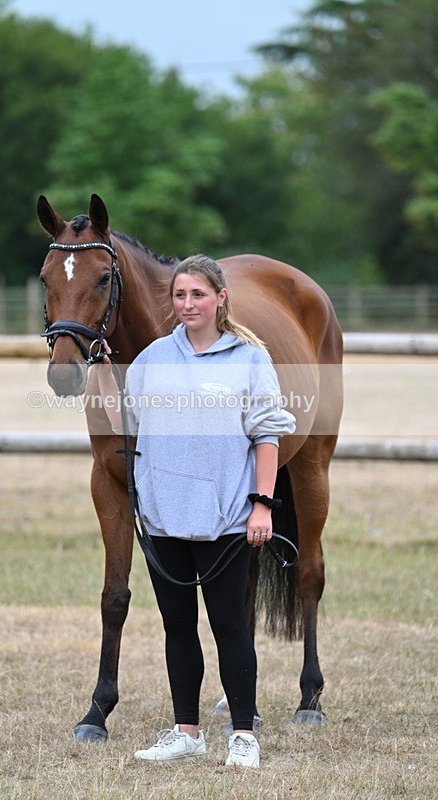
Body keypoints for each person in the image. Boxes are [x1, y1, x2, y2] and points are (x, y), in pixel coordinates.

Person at [96, 254, 295, 768]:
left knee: (230, 627)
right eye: (180, 296)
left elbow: (266, 436)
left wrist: (262, 506)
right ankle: (186, 730)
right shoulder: (152, 360)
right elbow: (130, 426)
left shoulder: (249, 359)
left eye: (198, 295)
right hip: (163, 519)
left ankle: (243, 733)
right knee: (177, 626)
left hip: (227, 518)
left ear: (220, 298)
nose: (188, 304)